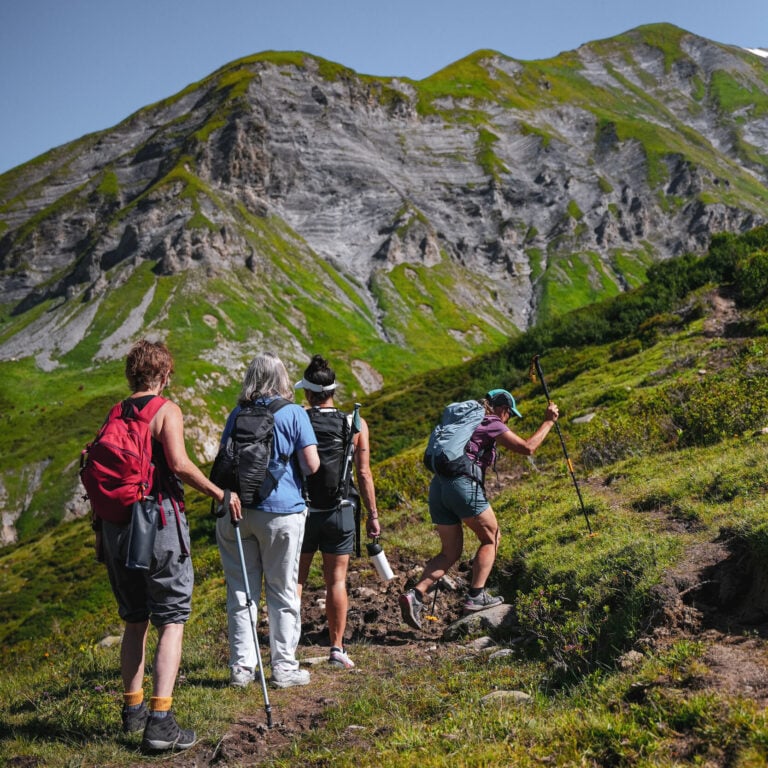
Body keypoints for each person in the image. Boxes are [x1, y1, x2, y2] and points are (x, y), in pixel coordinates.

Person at [98, 339, 241, 753]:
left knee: (135, 618)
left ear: (131, 375)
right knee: (172, 618)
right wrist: (219, 493)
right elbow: (177, 463)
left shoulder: (115, 412)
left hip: (116, 528)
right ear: (164, 375)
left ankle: (133, 710)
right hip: (157, 523)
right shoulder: (166, 410)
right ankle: (161, 722)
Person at [399, 389, 559, 629]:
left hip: (438, 487)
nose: (508, 420)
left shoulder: (463, 421)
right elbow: (528, 447)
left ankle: (416, 595)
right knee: (491, 537)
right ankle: (476, 596)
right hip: (461, 485)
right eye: (509, 415)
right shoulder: (491, 421)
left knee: (449, 552)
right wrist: (548, 421)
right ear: (503, 409)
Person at [216, 352, 320, 689]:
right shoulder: (294, 414)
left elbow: (225, 459)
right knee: (282, 590)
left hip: (237, 512)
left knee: (241, 592)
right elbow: (311, 465)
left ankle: (241, 668)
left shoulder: (237, 413)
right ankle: (284, 668)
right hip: (282, 513)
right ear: (281, 379)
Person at [295, 355, 381, 670]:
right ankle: (336, 647)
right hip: (341, 510)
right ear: (333, 391)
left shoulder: (298, 418)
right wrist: (372, 514)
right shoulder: (354, 423)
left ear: (307, 392)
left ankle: (287, 648)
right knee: (336, 580)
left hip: (302, 511)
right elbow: (364, 473)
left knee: (297, 580)